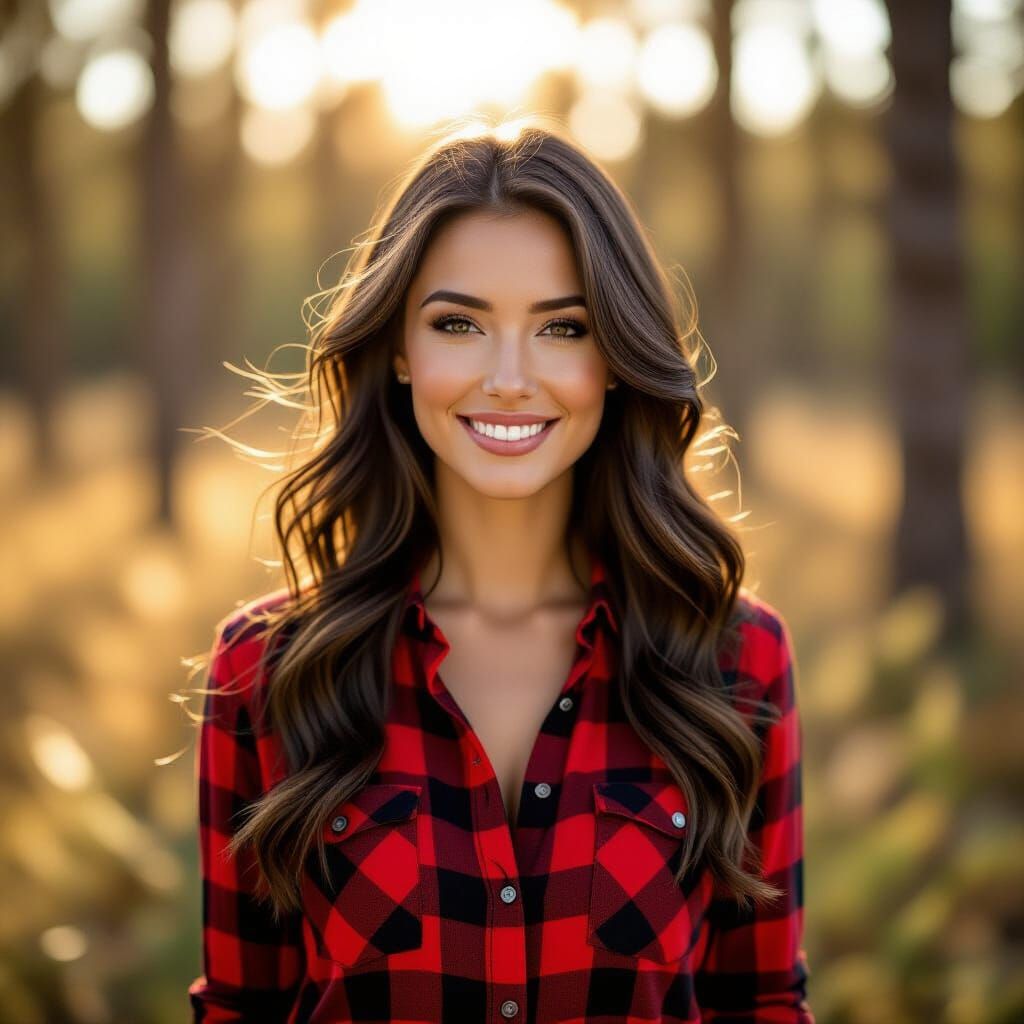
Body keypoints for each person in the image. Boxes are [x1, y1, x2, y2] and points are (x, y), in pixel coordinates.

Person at [187, 117, 814, 1023]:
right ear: (401, 349)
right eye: (459, 324)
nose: (511, 379)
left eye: (563, 327)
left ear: (616, 360)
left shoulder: (737, 660)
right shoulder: (264, 671)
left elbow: (760, 1002)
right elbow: (240, 1007)